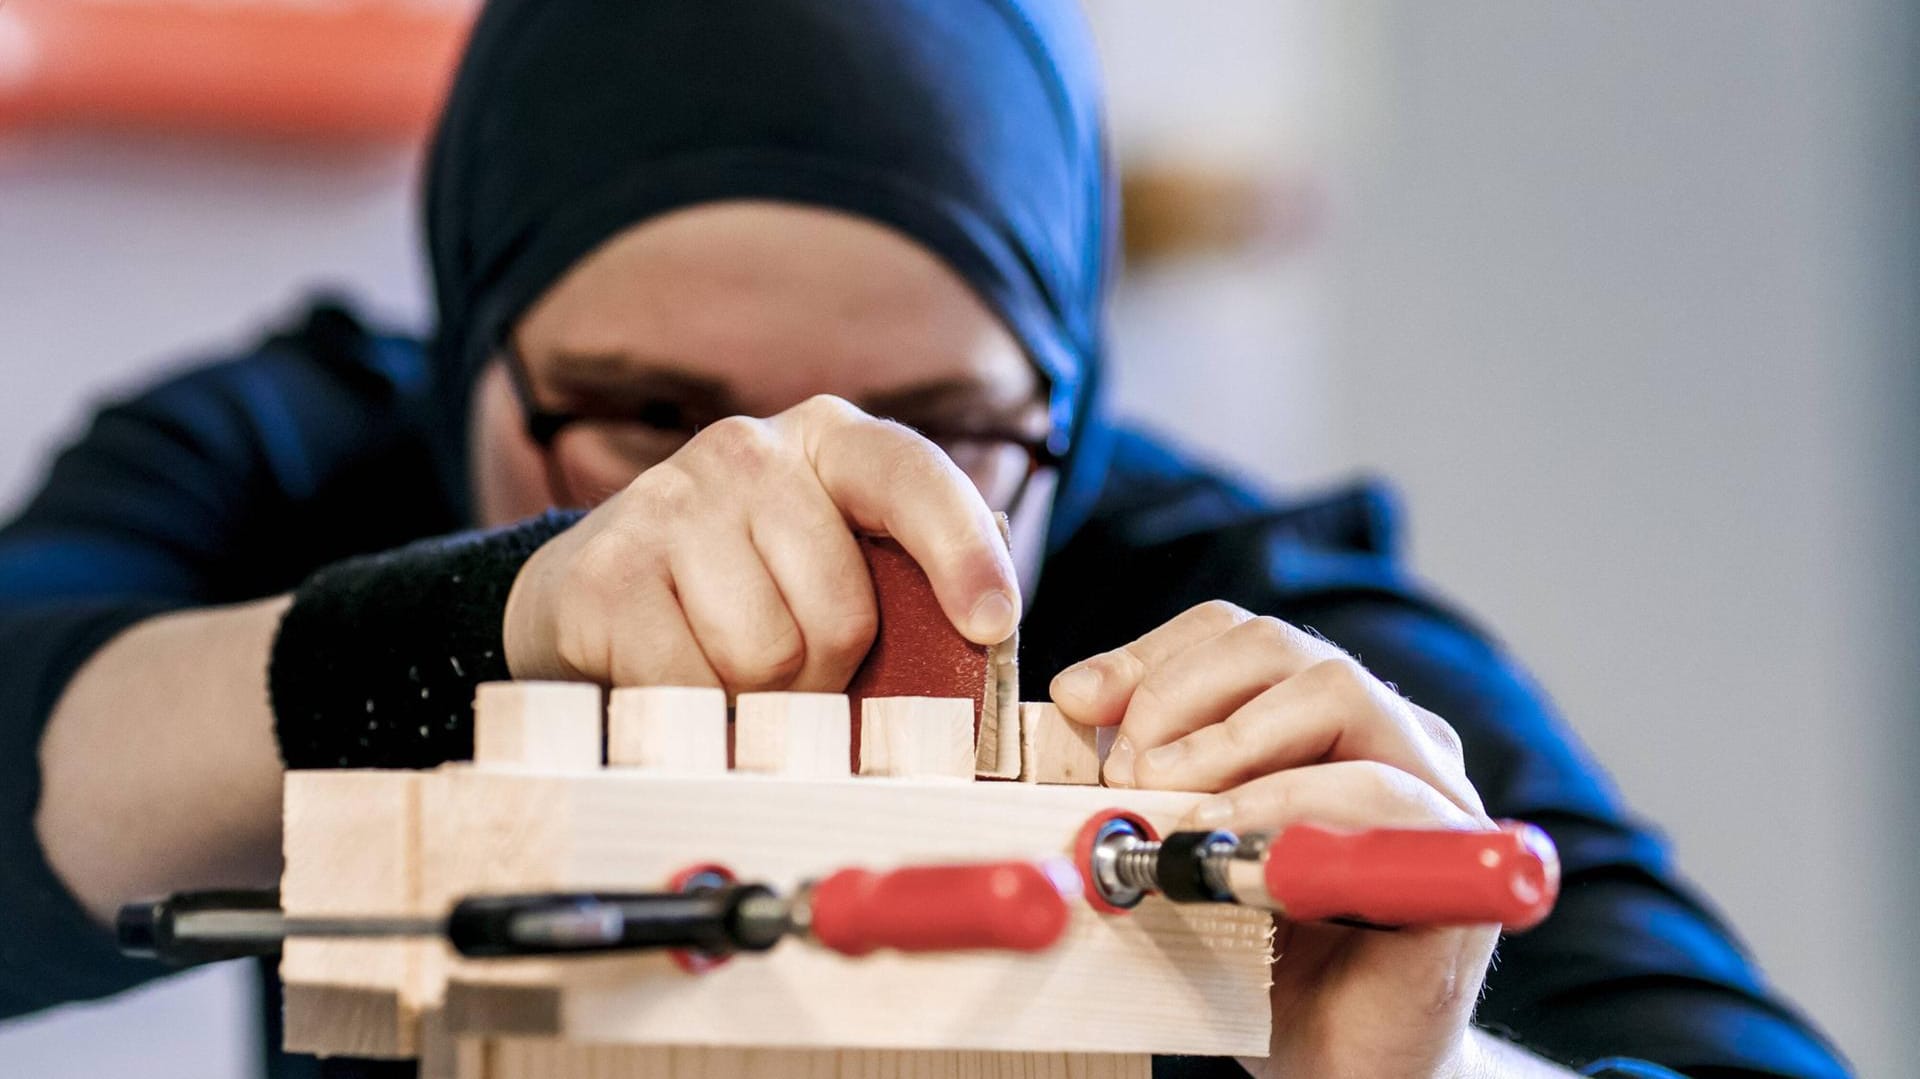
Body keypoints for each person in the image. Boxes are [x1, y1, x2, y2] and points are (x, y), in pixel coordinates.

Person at [0, 1, 1851, 1077]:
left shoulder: (1231, 615)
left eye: (948, 438)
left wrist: (1425, 1070)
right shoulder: (295, 455)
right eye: (653, 422)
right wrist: (497, 618)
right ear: (477, 344)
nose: (799, 537)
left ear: (1067, 397)